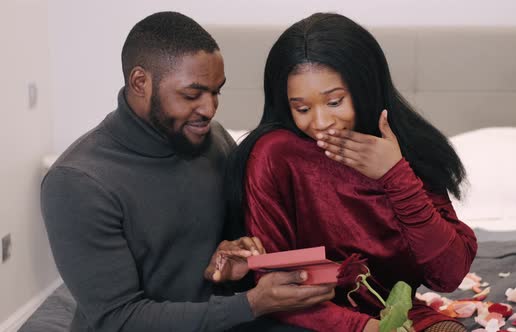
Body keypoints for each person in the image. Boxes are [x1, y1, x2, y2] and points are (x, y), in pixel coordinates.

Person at [40, 11, 334, 332]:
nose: (209, 109)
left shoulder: (215, 140)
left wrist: (233, 256)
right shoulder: (77, 182)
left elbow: (235, 243)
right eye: (191, 95)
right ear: (141, 82)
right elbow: (118, 319)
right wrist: (250, 304)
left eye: (216, 91)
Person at [226, 13, 478, 332]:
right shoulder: (275, 154)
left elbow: (449, 274)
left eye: (334, 102)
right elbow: (276, 286)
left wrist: (395, 175)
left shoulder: (405, 148)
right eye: (302, 108)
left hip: (393, 313)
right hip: (307, 317)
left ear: (365, 88)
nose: (319, 123)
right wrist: (362, 328)